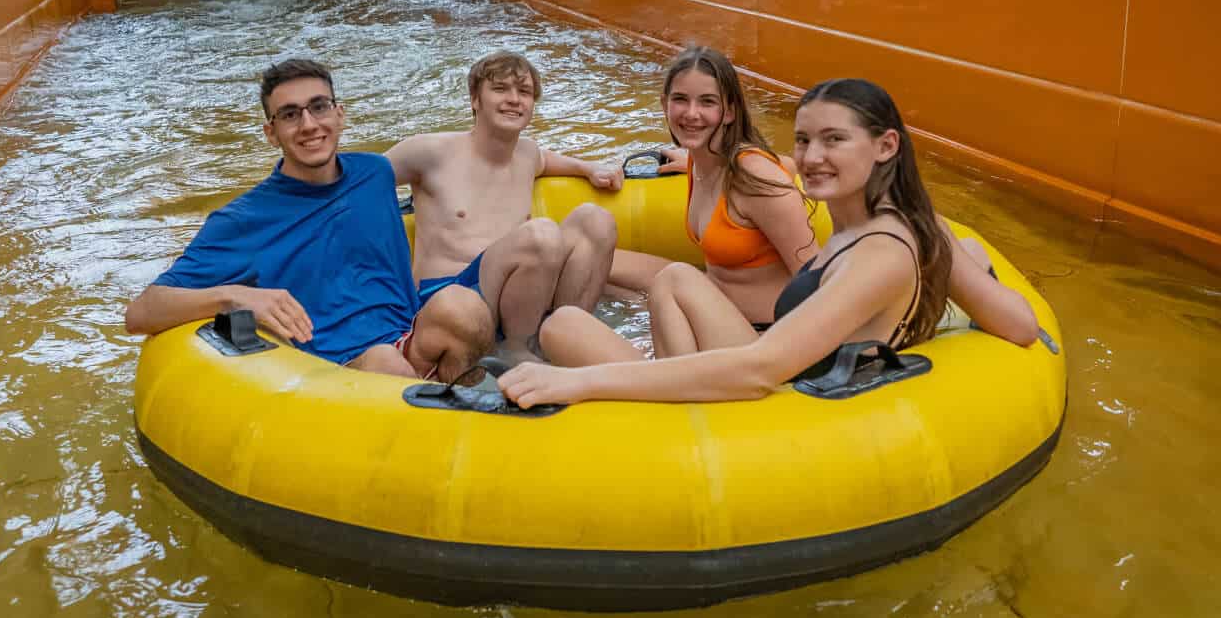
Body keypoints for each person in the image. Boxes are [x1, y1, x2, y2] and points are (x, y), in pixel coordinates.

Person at [500, 78, 1040, 406]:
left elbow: (761, 369)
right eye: (804, 140)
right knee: (576, 320)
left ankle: (654, 403)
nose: (811, 157)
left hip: (768, 402)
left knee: (571, 341)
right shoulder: (899, 223)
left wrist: (581, 384)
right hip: (764, 366)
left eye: (834, 140)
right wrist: (967, 267)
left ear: (885, 146)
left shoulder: (883, 251)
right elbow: (1017, 323)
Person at [125, 58, 494, 383]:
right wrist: (234, 296)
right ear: (271, 133)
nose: (308, 124)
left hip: (404, 337)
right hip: (332, 369)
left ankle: (461, 407)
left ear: (339, 114)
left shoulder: (375, 173)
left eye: (319, 107)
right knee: (386, 362)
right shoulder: (242, 221)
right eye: (290, 114)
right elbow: (140, 313)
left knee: (465, 308)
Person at [388, 51, 622, 352]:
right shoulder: (429, 152)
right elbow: (362, 179)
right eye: (500, 89)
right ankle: (517, 351)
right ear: (475, 99)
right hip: (449, 300)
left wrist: (588, 168)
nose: (514, 99)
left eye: (524, 92)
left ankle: (564, 337)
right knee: (540, 235)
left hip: (516, 295)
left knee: (596, 220)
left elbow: (546, 159)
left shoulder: (527, 154)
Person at [611, 45, 818, 327]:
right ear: (665, 104)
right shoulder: (701, 163)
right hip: (714, 301)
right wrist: (691, 160)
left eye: (707, 102)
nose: (691, 113)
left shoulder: (754, 178)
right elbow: (788, 165)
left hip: (761, 331)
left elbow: (815, 282)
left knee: (567, 324)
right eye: (680, 99)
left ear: (729, 111)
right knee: (600, 264)